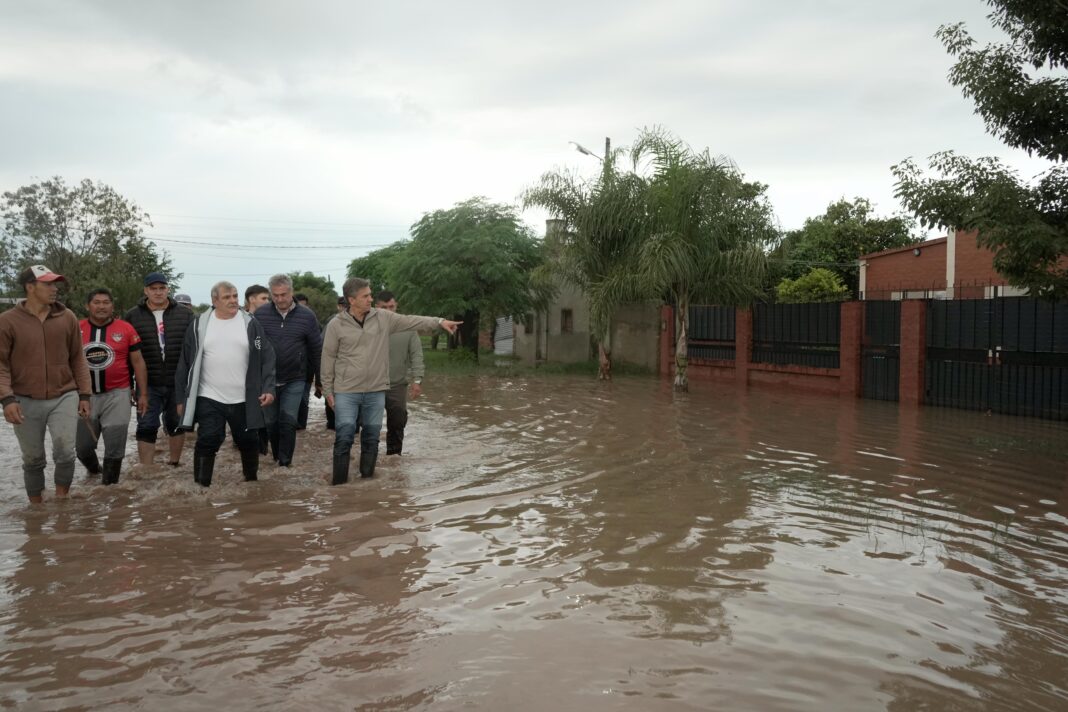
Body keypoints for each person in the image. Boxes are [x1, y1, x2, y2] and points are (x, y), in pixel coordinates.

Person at [321, 277, 459, 484]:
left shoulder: (383, 318)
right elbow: (328, 357)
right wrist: (328, 390)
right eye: (365, 296)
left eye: (370, 294)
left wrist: (439, 322)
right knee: (345, 433)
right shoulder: (336, 325)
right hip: (347, 390)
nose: (370, 299)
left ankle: (366, 481)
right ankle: (339, 485)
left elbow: (412, 320)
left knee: (372, 435)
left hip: (376, 389)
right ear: (352, 300)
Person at [0, 265, 91, 503]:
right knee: (32, 458)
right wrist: (7, 399)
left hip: (64, 395)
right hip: (23, 398)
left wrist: (85, 395)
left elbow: (78, 358)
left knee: (64, 452)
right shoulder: (7, 321)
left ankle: (61, 503)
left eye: (55, 284)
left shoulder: (68, 317)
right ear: (30, 287)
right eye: (48, 284)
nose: (54, 289)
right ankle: (36, 509)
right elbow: (1, 365)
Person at [175, 281, 275, 487]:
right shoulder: (199, 325)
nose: (233, 301)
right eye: (227, 297)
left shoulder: (251, 323)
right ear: (214, 300)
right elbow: (185, 363)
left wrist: (268, 388)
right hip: (209, 396)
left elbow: (267, 357)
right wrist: (180, 398)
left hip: (244, 397)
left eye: (235, 296)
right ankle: (201, 488)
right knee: (208, 439)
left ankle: (251, 484)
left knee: (248, 441)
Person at [77, 288, 150, 485]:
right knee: (82, 448)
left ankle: (110, 492)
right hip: (84, 396)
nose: (101, 306)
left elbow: (138, 362)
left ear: (112, 306)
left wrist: (143, 393)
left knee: (115, 446)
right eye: (97, 302)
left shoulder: (126, 329)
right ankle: (94, 471)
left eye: (106, 302)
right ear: (87, 306)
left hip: (118, 393)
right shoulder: (76, 328)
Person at [124, 272, 195, 467]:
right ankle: (146, 471)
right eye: (153, 289)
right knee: (146, 425)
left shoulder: (185, 314)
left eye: (161, 288)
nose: (158, 292)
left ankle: (174, 464)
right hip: (148, 383)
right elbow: (126, 354)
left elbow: (194, 349)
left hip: (177, 381)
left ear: (168, 289)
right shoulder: (132, 316)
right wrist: (130, 384)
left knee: (176, 424)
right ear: (146, 290)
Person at [254, 275, 321, 468]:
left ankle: (285, 463)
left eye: (284, 294)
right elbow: (255, 345)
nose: (280, 299)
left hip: (296, 378)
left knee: (288, 421)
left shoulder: (307, 316)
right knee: (271, 423)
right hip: (268, 379)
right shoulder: (261, 315)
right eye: (275, 295)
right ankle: (277, 455)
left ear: (291, 292)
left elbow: (316, 349)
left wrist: (320, 380)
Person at [374, 290, 425, 455]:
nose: (389, 310)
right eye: (384, 307)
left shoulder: (408, 327)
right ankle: (369, 460)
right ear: (377, 307)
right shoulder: (367, 325)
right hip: (371, 384)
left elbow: (416, 354)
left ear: (396, 306)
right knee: (369, 425)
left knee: (397, 422)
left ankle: (394, 459)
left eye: (392, 306)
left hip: (396, 385)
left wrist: (417, 380)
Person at [323, 295, 347, 431]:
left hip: (351, 373)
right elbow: (323, 349)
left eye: (347, 306)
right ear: (338, 307)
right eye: (342, 306)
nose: (345, 308)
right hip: (334, 370)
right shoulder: (331, 323)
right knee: (331, 400)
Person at [293, 293, 315, 430]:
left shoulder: (312, 322)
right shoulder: (285, 322)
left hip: (306, 370)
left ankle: (301, 425)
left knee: (304, 399)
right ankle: (290, 424)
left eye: (304, 305)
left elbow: (317, 349)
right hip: (289, 371)